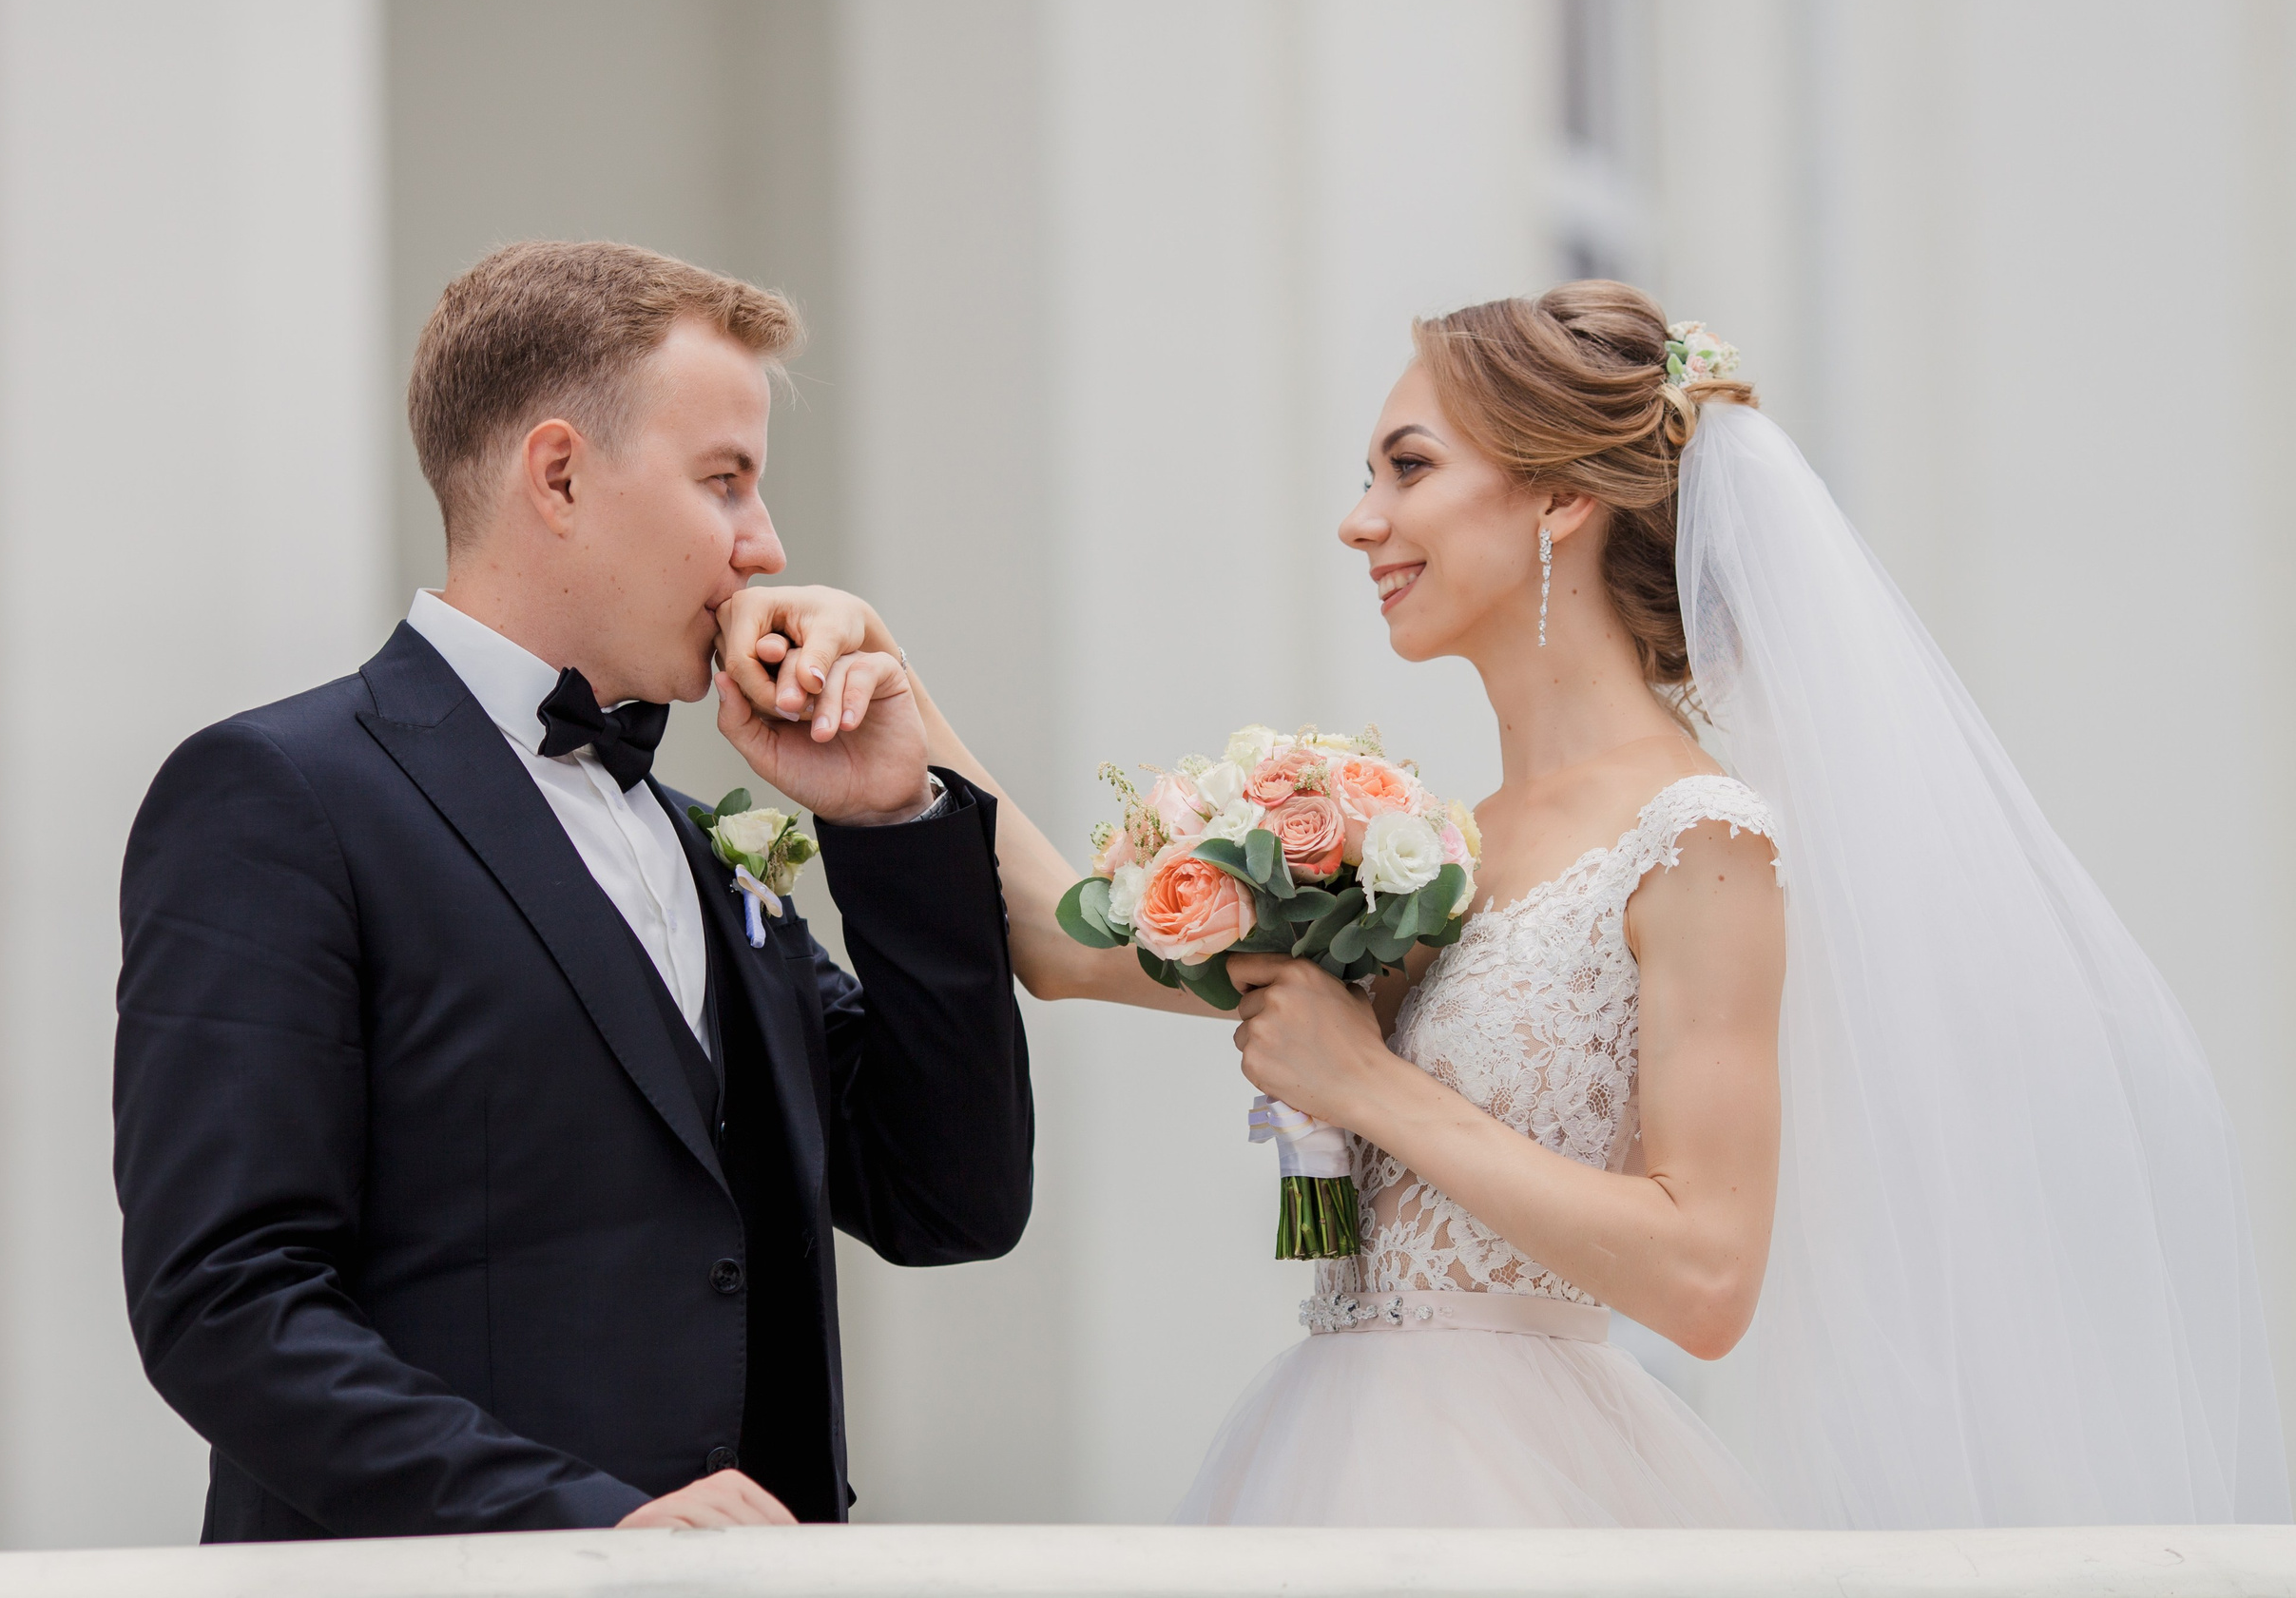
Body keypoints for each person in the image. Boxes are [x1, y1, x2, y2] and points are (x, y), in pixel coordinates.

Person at [721, 279, 2287, 1528]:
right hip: (1327, 1459)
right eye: (1368, 476)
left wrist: (1369, 1088)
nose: (1362, 520)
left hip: (1521, 1490)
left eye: (1409, 469)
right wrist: (896, 706)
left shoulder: (1703, 841)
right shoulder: (1420, 851)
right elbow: (1068, 944)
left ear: (1556, 501)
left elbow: (1706, 1276)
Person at [113, 241, 1033, 1541]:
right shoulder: (277, 798)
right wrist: (582, 1525)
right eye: (725, 481)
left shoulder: (702, 842)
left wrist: (893, 821)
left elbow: (949, 1201)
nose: (766, 545)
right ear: (558, 475)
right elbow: (224, 1301)